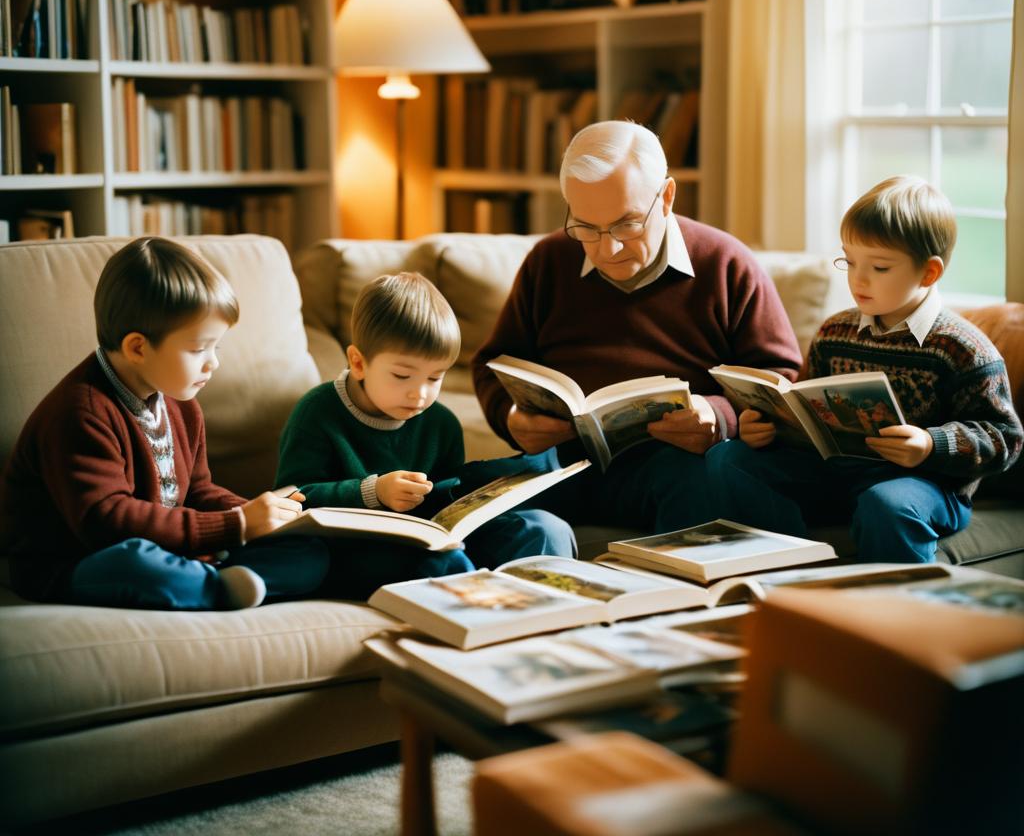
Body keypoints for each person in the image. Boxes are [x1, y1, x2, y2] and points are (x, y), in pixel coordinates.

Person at [471, 120, 803, 534]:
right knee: (463, 493)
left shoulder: (726, 264)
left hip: (674, 465)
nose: (606, 248)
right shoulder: (550, 259)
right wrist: (511, 416)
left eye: (626, 225)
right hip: (565, 462)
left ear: (666, 197)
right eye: (586, 227)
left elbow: (781, 379)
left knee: (702, 488)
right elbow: (492, 362)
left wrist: (718, 415)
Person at [0, 237, 329, 610]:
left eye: (216, 347)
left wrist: (260, 513)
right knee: (134, 563)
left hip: (172, 546)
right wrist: (235, 526)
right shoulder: (80, 413)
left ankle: (222, 584)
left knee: (307, 549)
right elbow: (106, 522)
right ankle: (217, 585)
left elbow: (198, 492)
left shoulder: (181, 403)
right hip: (76, 561)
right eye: (198, 349)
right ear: (138, 348)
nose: (213, 363)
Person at [709, 176, 1023, 562]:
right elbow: (810, 415)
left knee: (887, 503)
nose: (858, 279)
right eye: (850, 261)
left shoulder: (963, 349)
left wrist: (930, 445)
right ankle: (791, 572)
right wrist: (769, 429)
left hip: (922, 485)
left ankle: (895, 607)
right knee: (729, 460)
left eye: (879, 266)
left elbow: (1004, 438)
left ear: (929, 273)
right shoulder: (834, 332)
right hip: (835, 474)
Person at [274, 271, 576, 600]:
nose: (419, 394)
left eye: (435, 378)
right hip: (359, 548)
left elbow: (448, 512)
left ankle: (552, 616)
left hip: (432, 539)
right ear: (359, 363)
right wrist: (374, 492)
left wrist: (480, 492)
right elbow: (292, 498)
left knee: (543, 528)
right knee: (440, 560)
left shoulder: (440, 423)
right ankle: (469, 595)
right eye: (402, 376)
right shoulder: (317, 412)